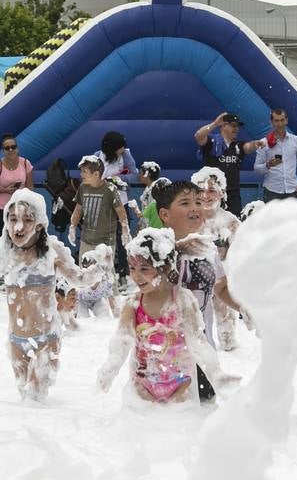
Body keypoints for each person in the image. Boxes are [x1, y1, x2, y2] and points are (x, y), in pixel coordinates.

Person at [0, 190, 102, 402]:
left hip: (46, 339)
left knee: (35, 400)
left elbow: (79, 279)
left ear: (39, 223)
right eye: (13, 219)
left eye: (27, 220)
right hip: (16, 339)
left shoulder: (52, 251)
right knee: (25, 397)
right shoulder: (3, 254)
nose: (18, 227)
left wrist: (101, 268)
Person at [98, 227, 229, 403]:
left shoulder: (183, 299)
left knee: (180, 428)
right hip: (143, 385)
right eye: (132, 268)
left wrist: (216, 374)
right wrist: (111, 366)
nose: (136, 276)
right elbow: (122, 339)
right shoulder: (133, 303)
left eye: (144, 269)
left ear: (165, 267)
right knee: (145, 428)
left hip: (181, 384)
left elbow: (199, 342)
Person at [155, 179, 241, 402]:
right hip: (165, 353)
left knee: (204, 409)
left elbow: (221, 289)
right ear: (165, 215)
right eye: (185, 203)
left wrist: (247, 310)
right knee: (168, 419)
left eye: (198, 202)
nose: (195, 207)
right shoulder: (157, 251)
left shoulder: (209, 250)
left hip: (203, 352)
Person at [191, 167, 242, 351]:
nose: (206, 195)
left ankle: (229, 348)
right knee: (193, 320)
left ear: (222, 193)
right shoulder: (189, 219)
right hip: (193, 282)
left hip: (221, 280)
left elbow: (240, 255)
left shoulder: (230, 222)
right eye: (201, 190)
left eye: (211, 190)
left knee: (224, 316)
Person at [193, 112, 259, 211]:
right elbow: (198, 136)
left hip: (233, 195)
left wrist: (256, 144)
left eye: (237, 126)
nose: (236, 129)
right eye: (233, 126)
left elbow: (248, 147)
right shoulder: (212, 142)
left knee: (235, 224)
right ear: (223, 126)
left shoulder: (238, 146)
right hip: (212, 194)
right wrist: (215, 124)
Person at [69, 155, 129, 263]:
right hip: (86, 240)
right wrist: (72, 226)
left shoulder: (110, 189)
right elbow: (78, 209)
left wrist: (125, 229)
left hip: (105, 242)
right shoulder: (83, 187)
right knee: (85, 274)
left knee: (105, 275)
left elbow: (121, 211)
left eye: (84, 171)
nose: (81, 174)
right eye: (81, 171)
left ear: (96, 174)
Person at [253, 109, 297, 201]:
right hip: (271, 191)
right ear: (271, 122)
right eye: (277, 121)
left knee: (292, 216)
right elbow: (257, 168)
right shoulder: (264, 142)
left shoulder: (296, 140)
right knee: (272, 216)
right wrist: (268, 165)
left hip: (291, 190)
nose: (280, 124)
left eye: (282, 120)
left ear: (286, 120)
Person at [0, 133, 35, 233]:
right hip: (2, 208)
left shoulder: (25, 163)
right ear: (3, 151)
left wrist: (27, 200)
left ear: (17, 149)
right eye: (7, 148)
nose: (11, 150)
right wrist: (6, 190)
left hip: (21, 207)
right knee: (6, 237)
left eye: (13, 147)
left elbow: (30, 186)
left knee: (22, 235)